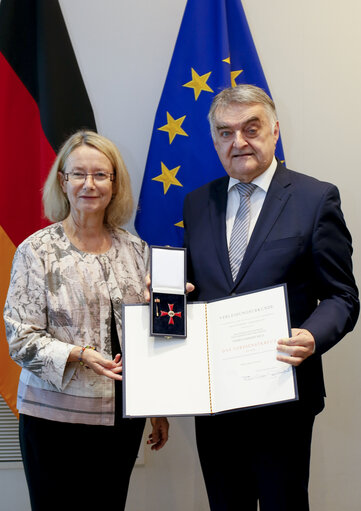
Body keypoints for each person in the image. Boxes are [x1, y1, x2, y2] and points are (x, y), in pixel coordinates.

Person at [182, 84, 359, 511]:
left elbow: (342, 295)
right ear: (214, 140)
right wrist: (171, 301)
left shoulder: (316, 199)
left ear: (275, 131)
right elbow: (196, 289)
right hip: (215, 398)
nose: (238, 142)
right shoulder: (195, 203)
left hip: (283, 394)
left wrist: (312, 337)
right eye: (225, 132)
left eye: (250, 128)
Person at [4, 130, 169, 511]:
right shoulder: (36, 251)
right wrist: (79, 353)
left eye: (100, 175)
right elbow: (20, 338)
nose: (89, 185)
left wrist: (157, 405)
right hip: (52, 423)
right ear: (62, 181)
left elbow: (148, 335)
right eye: (78, 174)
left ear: (115, 183)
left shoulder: (136, 249)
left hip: (121, 423)